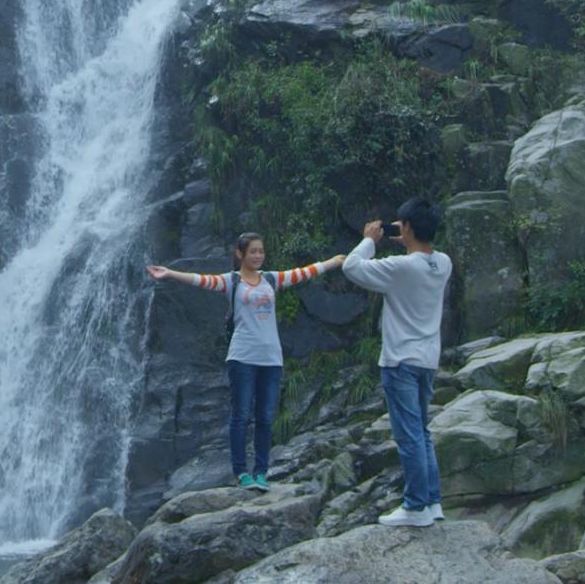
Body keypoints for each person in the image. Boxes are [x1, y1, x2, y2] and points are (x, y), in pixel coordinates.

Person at [147, 233, 344, 491]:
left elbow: (304, 272)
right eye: (253, 251)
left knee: (265, 416)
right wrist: (170, 273)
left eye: (261, 251)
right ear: (240, 254)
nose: (258, 256)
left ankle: (261, 472)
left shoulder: (272, 279)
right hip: (242, 357)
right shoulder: (232, 282)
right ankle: (241, 473)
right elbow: (201, 280)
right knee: (241, 415)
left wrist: (333, 261)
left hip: (271, 359)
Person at [342, 197, 452, 528]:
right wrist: (407, 239)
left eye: (401, 225)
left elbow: (352, 267)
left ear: (405, 227)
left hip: (401, 360)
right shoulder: (443, 263)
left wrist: (369, 240)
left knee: (408, 437)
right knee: (421, 431)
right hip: (427, 360)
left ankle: (416, 506)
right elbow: (417, 258)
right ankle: (431, 502)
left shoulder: (402, 268)